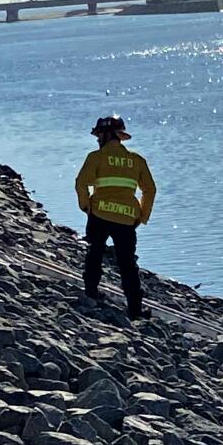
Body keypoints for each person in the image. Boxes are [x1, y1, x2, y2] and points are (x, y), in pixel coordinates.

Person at [75, 116, 156, 320]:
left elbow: (81, 183)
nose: (97, 139)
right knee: (128, 264)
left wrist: (86, 206)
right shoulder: (136, 160)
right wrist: (141, 215)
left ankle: (91, 292)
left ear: (105, 135)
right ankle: (135, 310)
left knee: (95, 252)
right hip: (127, 219)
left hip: (100, 213)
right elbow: (150, 190)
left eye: (98, 135)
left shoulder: (96, 157)